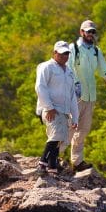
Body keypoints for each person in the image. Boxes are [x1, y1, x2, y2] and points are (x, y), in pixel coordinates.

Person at [67, 19, 106, 171]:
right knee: (70, 128)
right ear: (81, 32)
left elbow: (104, 70)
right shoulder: (73, 49)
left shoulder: (96, 51)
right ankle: (54, 159)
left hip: (91, 95)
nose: (91, 34)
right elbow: (68, 69)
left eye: (93, 32)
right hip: (76, 95)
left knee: (83, 130)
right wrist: (75, 85)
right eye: (88, 31)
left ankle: (77, 162)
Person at [35, 40, 79, 174]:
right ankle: (42, 164)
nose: (64, 56)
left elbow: (72, 96)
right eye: (61, 54)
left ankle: (52, 167)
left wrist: (75, 117)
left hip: (64, 111)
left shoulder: (70, 72)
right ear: (55, 53)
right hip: (51, 109)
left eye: (66, 53)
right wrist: (48, 107)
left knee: (61, 139)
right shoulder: (46, 67)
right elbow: (40, 87)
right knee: (56, 136)